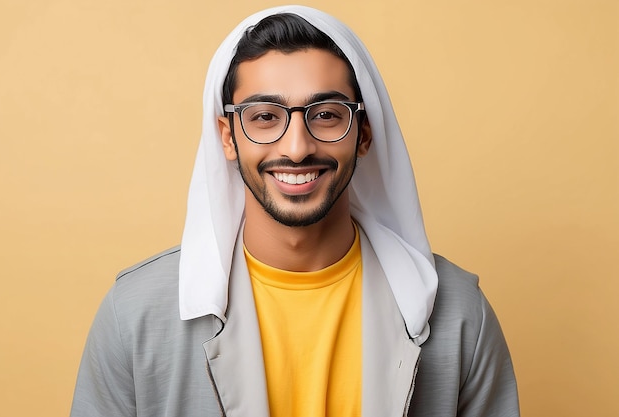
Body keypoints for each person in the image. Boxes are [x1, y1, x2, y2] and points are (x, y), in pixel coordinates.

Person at [71, 5, 519, 417]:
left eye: (326, 114)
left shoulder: (461, 316)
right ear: (228, 137)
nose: (297, 147)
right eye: (265, 116)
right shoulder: (134, 316)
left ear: (363, 133)